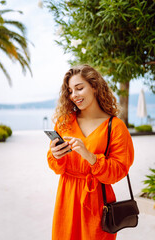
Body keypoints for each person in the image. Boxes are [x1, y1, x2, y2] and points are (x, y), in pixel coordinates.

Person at [47, 64, 134, 240]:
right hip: (67, 197)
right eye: (70, 91)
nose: (74, 95)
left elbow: (119, 171)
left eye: (79, 88)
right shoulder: (64, 122)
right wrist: (55, 155)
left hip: (97, 202)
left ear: (94, 86)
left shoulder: (115, 126)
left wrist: (90, 157)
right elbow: (56, 167)